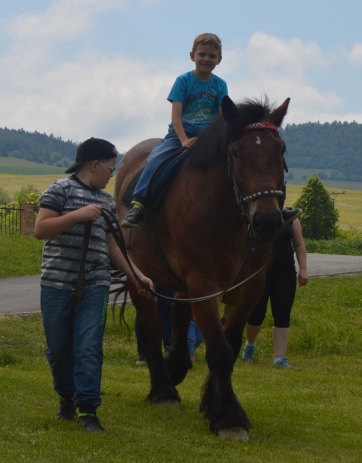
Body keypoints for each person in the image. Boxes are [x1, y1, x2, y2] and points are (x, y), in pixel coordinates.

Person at [34, 137, 155, 433]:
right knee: (59, 350)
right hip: (56, 284)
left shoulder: (105, 202)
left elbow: (114, 247)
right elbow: (40, 229)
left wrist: (136, 275)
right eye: (111, 169)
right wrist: (78, 215)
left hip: (95, 285)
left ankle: (88, 410)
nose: (112, 175)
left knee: (89, 347)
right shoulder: (60, 189)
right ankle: (66, 396)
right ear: (95, 165)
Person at [121, 33, 228, 228]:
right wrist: (184, 140)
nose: (206, 59)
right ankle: (139, 203)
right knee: (155, 158)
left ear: (219, 60)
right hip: (181, 132)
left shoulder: (220, 85)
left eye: (212, 56)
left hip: (209, 135)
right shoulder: (183, 81)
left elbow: (222, 116)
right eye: (202, 54)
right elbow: (176, 117)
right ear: (192, 56)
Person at [241, 212, 308, 368]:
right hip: (259, 272)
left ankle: (279, 358)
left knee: (283, 314)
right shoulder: (256, 214)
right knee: (256, 314)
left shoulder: (291, 218)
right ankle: (250, 345)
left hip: (285, 272)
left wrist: (303, 269)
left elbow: (299, 244)